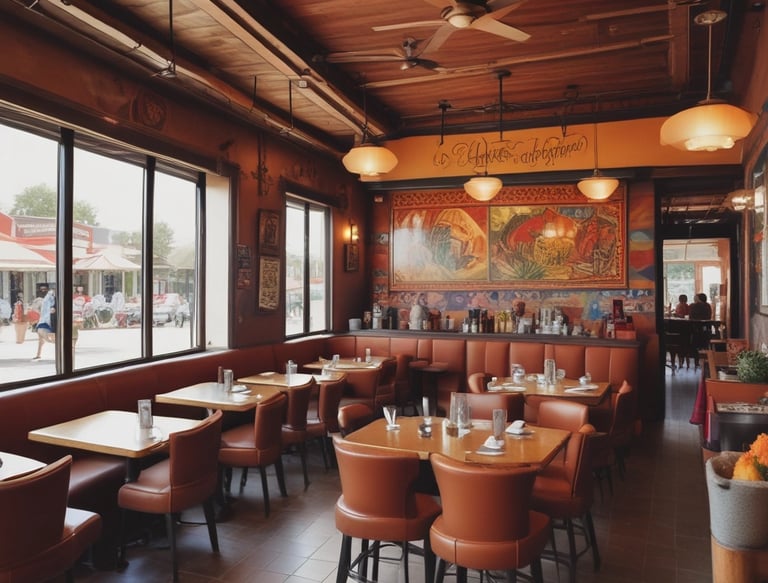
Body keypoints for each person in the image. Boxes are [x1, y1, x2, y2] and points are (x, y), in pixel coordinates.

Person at [33, 287, 56, 359]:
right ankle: (38, 354)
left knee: (44, 337)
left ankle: (38, 354)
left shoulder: (49, 298)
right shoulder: (48, 298)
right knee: (41, 338)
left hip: (46, 321)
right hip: (45, 320)